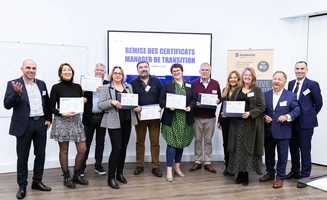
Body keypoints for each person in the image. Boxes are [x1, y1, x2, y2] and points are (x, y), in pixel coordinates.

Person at [4, 59, 52, 199]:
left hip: (41, 124)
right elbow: (7, 104)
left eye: (34, 68)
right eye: (28, 68)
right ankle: (22, 186)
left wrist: (48, 119)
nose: (31, 70)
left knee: (41, 155)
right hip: (24, 125)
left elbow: (47, 103)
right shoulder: (13, 84)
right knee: (22, 157)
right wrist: (16, 93)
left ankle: (37, 181)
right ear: (22, 69)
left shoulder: (41, 84)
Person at [98, 66, 141, 189]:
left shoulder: (128, 87)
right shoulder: (106, 88)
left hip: (127, 120)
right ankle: (110, 177)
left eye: (120, 73)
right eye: (115, 73)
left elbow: (132, 103)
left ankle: (119, 174)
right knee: (116, 149)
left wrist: (138, 108)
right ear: (112, 75)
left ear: (123, 75)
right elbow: (100, 105)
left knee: (123, 148)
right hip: (113, 122)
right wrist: (111, 102)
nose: (117, 75)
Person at [49, 63, 89, 189]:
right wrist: (62, 113)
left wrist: (84, 100)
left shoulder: (78, 86)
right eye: (64, 70)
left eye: (69, 70)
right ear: (60, 73)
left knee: (82, 149)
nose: (67, 72)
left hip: (76, 120)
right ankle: (66, 176)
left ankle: (76, 175)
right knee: (64, 150)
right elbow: (50, 107)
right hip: (62, 120)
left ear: (72, 72)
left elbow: (78, 103)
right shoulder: (56, 87)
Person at [259, 71, 300, 189]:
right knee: (269, 154)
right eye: (274, 79)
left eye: (279, 79)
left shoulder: (291, 95)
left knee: (282, 156)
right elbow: (262, 109)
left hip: (283, 131)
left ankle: (280, 177)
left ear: (284, 82)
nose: (276, 81)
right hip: (268, 130)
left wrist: (287, 116)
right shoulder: (265, 94)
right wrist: (264, 116)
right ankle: (270, 173)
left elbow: (296, 110)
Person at [286, 61, 323, 188]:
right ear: (294, 70)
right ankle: (295, 171)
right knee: (294, 148)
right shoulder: (291, 83)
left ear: (307, 70)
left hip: (306, 124)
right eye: (297, 68)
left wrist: (310, 115)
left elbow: (319, 103)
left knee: (305, 149)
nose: (299, 71)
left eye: (302, 68)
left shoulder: (312, 84)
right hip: (292, 122)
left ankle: (305, 176)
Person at [227, 67, 265, 186]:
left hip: (251, 125)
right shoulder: (237, 89)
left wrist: (250, 113)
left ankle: (246, 174)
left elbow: (262, 106)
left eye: (249, 75)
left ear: (253, 77)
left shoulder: (257, 90)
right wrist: (226, 112)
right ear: (242, 77)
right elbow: (231, 104)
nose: (247, 77)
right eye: (245, 75)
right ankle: (239, 174)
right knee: (238, 148)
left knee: (248, 148)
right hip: (237, 124)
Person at [160, 63, 196, 182]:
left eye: (178, 70)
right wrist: (168, 106)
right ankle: (169, 169)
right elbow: (161, 100)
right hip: (171, 119)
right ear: (172, 73)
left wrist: (190, 107)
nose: (176, 72)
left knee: (181, 143)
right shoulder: (167, 85)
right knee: (171, 144)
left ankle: (177, 167)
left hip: (185, 119)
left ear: (182, 71)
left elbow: (194, 100)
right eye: (174, 71)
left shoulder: (189, 85)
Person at [130, 61, 163, 177]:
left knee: (155, 142)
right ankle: (140, 165)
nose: (143, 69)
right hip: (140, 117)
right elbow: (130, 100)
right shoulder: (133, 83)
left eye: (145, 67)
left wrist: (161, 107)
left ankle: (155, 166)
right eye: (141, 67)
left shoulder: (156, 81)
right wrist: (135, 108)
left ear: (149, 68)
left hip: (154, 118)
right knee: (140, 142)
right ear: (137, 70)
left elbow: (162, 97)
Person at [189, 62, 221, 173]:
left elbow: (220, 98)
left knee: (208, 141)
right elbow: (190, 99)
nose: (204, 72)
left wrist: (218, 100)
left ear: (210, 72)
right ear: (199, 71)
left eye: (207, 70)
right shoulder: (194, 83)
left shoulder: (215, 84)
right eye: (202, 70)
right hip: (197, 116)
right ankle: (197, 161)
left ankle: (207, 162)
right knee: (198, 140)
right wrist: (195, 103)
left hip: (210, 117)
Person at [81, 63, 109, 176]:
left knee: (100, 142)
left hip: (103, 117)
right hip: (89, 116)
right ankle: (81, 166)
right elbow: (79, 98)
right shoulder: (87, 82)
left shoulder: (107, 84)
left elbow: (112, 97)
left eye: (101, 70)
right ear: (94, 71)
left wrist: (104, 91)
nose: (99, 71)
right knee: (86, 142)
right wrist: (81, 92)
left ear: (105, 73)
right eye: (97, 69)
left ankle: (98, 165)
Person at [217, 70, 241, 176]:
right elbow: (222, 107)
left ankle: (235, 166)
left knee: (235, 144)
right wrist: (219, 120)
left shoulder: (241, 91)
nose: (233, 79)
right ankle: (227, 166)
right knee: (226, 143)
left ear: (238, 79)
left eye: (235, 77)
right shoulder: (225, 90)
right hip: (225, 121)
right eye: (231, 77)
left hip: (236, 121)